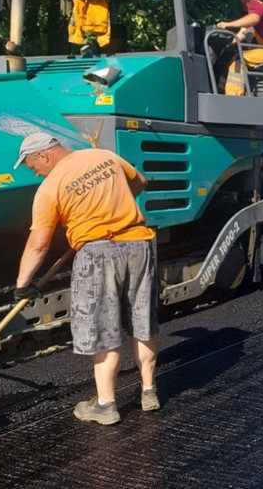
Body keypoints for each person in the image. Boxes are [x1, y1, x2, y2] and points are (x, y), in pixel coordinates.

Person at [13, 132, 160, 424]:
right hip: (139, 244)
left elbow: (39, 245)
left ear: (44, 155)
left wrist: (21, 286)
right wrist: (113, 202)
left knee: (104, 329)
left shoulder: (49, 187)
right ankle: (149, 391)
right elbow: (141, 183)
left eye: (33, 167)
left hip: (97, 253)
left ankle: (106, 406)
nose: (35, 172)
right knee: (143, 322)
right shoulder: (105, 156)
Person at [217, 0, 263, 96]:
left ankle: (233, 97)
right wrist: (228, 44)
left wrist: (228, 24)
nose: (242, 4)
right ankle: (219, 92)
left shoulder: (256, 4)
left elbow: (254, 18)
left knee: (238, 60)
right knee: (230, 59)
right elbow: (242, 33)